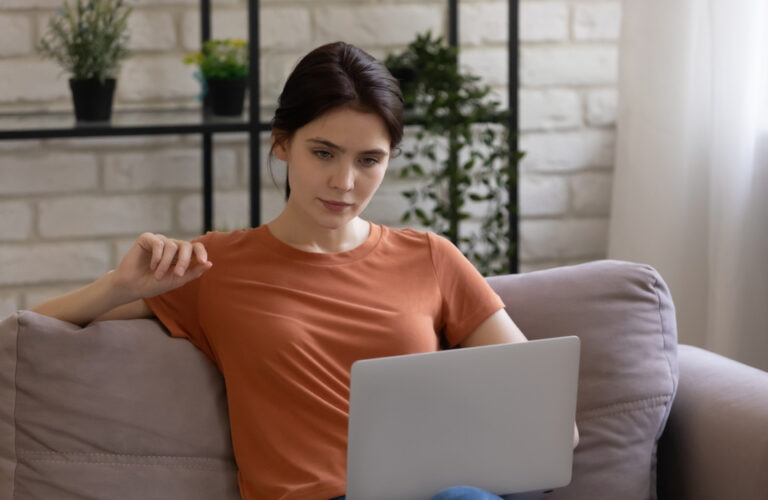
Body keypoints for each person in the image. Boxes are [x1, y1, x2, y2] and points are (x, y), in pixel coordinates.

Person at [31, 41, 578, 500]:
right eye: (323, 153)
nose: (345, 182)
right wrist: (119, 286)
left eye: (369, 160)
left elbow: (550, 422)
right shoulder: (212, 266)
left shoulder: (431, 257)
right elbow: (28, 331)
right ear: (282, 144)